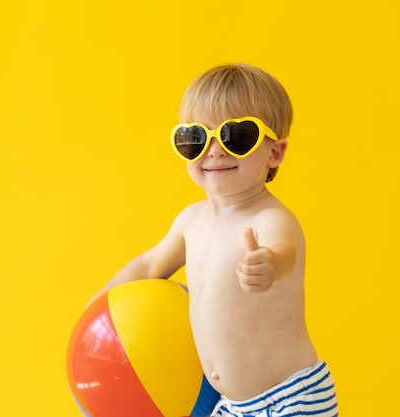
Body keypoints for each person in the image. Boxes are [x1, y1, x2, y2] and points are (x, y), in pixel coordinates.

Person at [90, 63, 338, 416]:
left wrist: (269, 264)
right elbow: (150, 265)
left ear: (275, 152)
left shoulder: (270, 218)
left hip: (289, 399)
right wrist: (99, 305)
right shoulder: (190, 221)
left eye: (236, 137)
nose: (215, 150)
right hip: (230, 405)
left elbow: (285, 251)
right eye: (196, 138)